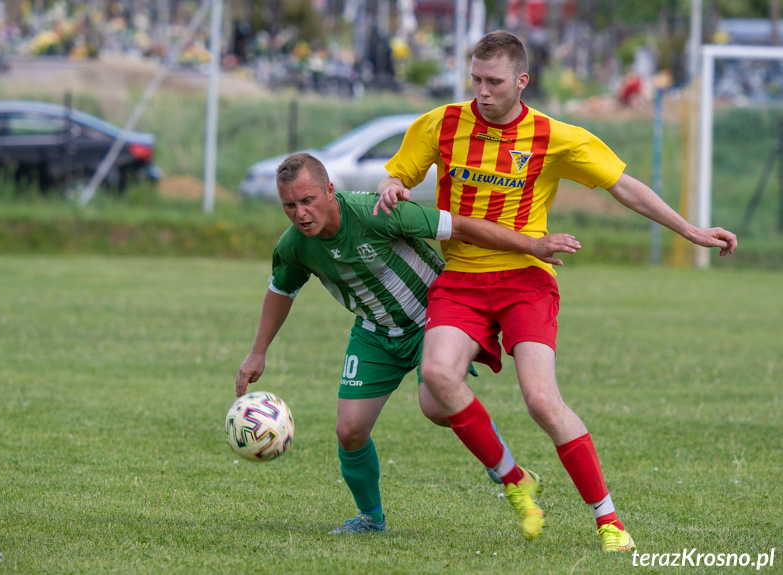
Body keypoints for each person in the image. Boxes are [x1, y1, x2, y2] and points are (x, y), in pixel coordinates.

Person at [373, 30, 738, 552]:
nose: (482, 91)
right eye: (475, 79)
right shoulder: (441, 123)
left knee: (542, 399)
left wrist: (690, 230)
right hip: (462, 279)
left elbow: (624, 186)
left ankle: (608, 520)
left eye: (494, 81)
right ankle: (516, 480)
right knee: (434, 391)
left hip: (526, 277)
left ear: (522, 81)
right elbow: (399, 176)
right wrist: (394, 185)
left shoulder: (555, 136)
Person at [236, 152, 583, 535]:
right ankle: (371, 519)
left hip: (435, 320)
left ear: (330, 190)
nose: (300, 213)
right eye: (290, 205)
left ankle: (504, 466)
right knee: (349, 431)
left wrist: (530, 246)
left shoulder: (378, 213)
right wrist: (258, 351)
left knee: (436, 407)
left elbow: (461, 226)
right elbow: (281, 290)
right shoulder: (294, 246)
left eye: (308, 201)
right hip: (375, 332)